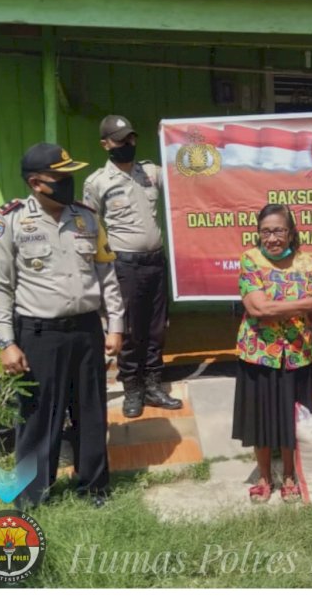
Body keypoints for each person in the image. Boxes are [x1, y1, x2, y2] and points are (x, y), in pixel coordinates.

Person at [0, 142, 124, 507]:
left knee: (91, 412)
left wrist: (116, 326)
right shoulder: (9, 221)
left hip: (85, 330)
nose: (68, 183)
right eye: (60, 177)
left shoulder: (88, 217)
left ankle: (94, 487)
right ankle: (32, 496)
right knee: (37, 417)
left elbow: (107, 275)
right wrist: (6, 342)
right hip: (39, 334)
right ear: (36, 182)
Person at [231, 204, 312, 504]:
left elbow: (311, 315)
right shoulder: (250, 260)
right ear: (258, 234)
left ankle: (291, 476)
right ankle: (265, 477)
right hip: (259, 353)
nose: (272, 238)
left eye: (279, 231)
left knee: (294, 420)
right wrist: (310, 304)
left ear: (291, 232)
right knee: (262, 421)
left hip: (297, 354)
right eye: (265, 232)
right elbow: (260, 309)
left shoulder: (307, 263)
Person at [83, 115, 181, 418]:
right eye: (120, 140)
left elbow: (188, 177)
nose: (128, 144)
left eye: (131, 138)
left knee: (155, 329)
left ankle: (154, 386)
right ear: (105, 144)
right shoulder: (98, 182)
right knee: (128, 330)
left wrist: (177, 139)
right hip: (124, 266)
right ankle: (132, 391)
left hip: (155, 262)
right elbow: (89, 226)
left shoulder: (151, 173)